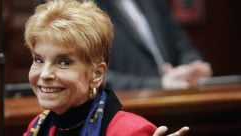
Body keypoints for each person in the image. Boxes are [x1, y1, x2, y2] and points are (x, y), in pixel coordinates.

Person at [23, 0, 189, 135]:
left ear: (96, 74)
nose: (45, 74)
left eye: (63, 62)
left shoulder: (131, 131)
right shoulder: (37, 127)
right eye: (38, 60)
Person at [94, 0, 212, 90]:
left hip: (178, 94)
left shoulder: (152, 2)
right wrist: (160, 83)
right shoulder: (85, 8)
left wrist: (191, 67)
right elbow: (93, 76)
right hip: (127, 107)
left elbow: (183, 46)